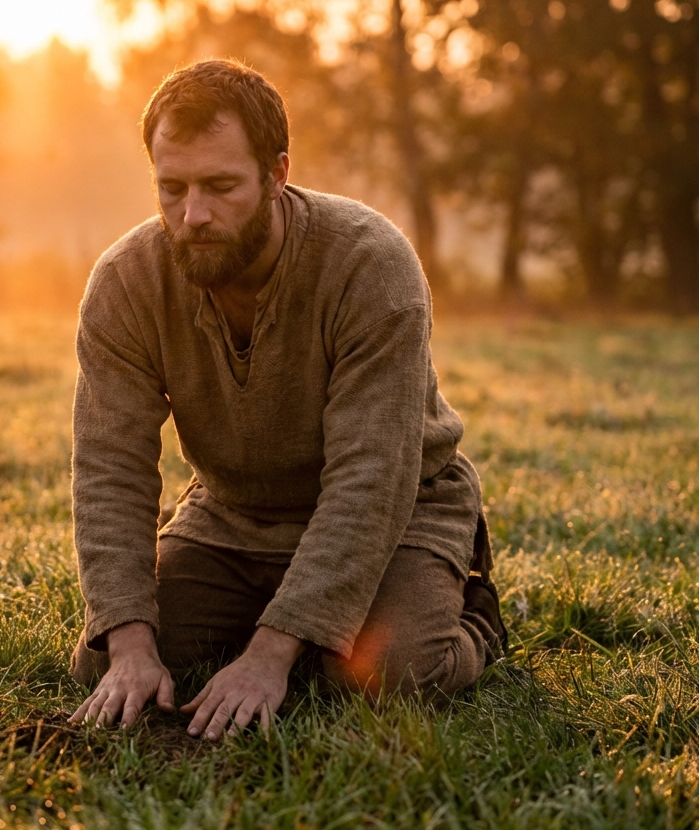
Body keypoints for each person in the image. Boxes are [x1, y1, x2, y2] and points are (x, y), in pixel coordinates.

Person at [67, 59, 506, 741]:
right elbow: (110, 467)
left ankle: (470, 614)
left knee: (388, 673)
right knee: (106, 664)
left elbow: (371, 478)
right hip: (231, 516)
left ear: (277, 173)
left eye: (221, 186)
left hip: (401, 508)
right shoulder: (125, 284)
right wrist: (128, 646)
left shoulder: (369, 263)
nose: (194, 214)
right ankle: (292, 615)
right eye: (172, 188)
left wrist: (271, 657)